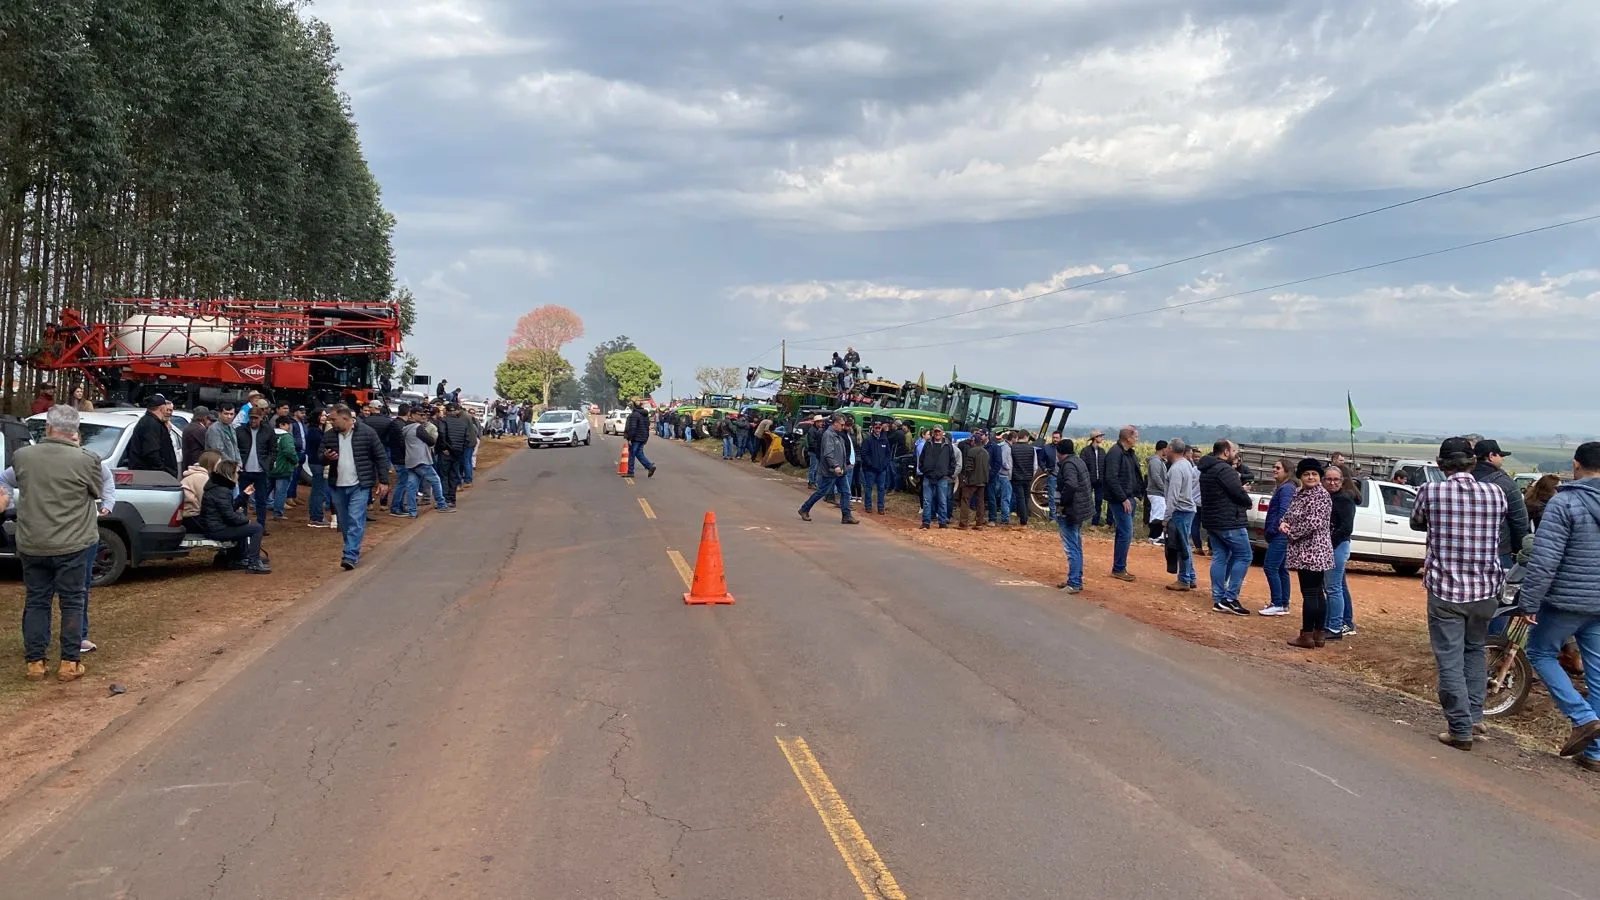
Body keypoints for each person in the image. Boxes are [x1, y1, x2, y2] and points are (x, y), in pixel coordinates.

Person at [1411, 437, 1506, 750]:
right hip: (1485, 589)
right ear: (1473, 462)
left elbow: (1417, 522)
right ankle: (1475, 716)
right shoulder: (1495, 492)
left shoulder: (1431, 491)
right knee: (1474, 650)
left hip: (1446, 590)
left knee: (1449, 659)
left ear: (1440, 465)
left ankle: (1460, 728)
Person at [1516, 442, 1600, 770]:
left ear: (1576, 464)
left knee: (1539, 651)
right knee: (1597, 671)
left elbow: (1545, 559)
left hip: (1566, 599)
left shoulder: (1564, 502)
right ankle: (1594, 753)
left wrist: (1529, 601)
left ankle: (1582, 718)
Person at [7, 405, 102, 682]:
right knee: (72, 600)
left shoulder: (23, 456)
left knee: (37, 600)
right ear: (76, 430)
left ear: (48, 427)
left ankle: (35, 662)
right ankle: (69, 662)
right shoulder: (87, 459)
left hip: (33, 542)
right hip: (73, 542)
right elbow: (96, 491)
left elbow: (20, 483)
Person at [322, 404, 391, 570]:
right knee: (345, 522)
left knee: (355, 518)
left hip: (360, 484)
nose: (330, 422)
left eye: (333, 419)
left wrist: (383, 480)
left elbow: (380, 456)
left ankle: (350, 554)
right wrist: (326, 457)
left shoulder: (367, 432)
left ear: (345, 418)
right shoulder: (330, 435)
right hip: (337, 485)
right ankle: (351, 548)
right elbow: (320, 457)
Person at [1282, 458, 1334, 648]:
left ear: (1319, 476)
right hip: (1304, 550)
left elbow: (1313, 523)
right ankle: (1317, 634)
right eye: (1306, 474)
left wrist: (1291, 532)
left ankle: (1308, 635)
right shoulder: (1300, 493)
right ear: (1300, 476)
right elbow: (1290, 513)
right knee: (1316, 593)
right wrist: (1283, 522)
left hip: (1313, 551)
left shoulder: (1320, 495)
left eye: (1314, 474)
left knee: (1312, 593)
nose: (1310, 477)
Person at [1197, 440, 1252, 614]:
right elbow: (1237, 493)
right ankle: (1230, 598)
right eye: (1234, 450)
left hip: (1213, 521)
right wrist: (1247, 501)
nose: (1236, 453)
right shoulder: (1225, 470)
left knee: (1220, 556)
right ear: (1226, 452)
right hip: (1229, 521)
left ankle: (1218, 598)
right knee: (1244, 556)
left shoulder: (1206, 469)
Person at [196, 459, 270, 574]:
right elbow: (230, 516)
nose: (238, 475)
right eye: (236, 473)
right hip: (216, 529)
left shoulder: (217, 487)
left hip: (213, 526)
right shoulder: (222, 490)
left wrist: (244, 495)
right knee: (257, 528)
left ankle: (238, 558)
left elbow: (228, 509)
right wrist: (246, 520)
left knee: (243, 525)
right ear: (230, 474)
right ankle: (254, 562)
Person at [1472, 440, 1531, 569]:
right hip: (1498, 551)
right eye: (1500, 455)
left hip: (1465, 551)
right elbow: (1519, 521)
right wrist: (1520, 549)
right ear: (1491, 456)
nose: (1502, 460)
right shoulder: (1505, 483)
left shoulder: (1465, 478)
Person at [798, 414, 858, 525]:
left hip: (841, 471)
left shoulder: (838, 435)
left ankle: (846, 516)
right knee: (821, 492)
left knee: (845, 492)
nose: (843, 426)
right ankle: (804, 509)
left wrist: (843, 466)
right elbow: (828, 453)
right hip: (830, 471)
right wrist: (835, 466)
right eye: (841, 424)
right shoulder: (828, 435)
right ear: (835, 423)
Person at [1322, 464, 1360, 638]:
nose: (1332, 482)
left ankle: (1335, 626)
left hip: (1337, 546)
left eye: (1335, 479)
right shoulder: (1327, 497)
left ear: (1342, 481)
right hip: (1330, 546)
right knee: (1333, 586)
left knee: (1333, 588)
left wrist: (1328, 543)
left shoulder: (1344, 499)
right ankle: (1331, 622)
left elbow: (1346, 528)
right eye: (1328, 479)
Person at [394, 406, 449, 517]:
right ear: (412, 415)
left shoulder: (405, 428)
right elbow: (431, 441)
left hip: (410, 460)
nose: (423, 417)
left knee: (411, 486)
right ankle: (441, 504)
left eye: (424, 415)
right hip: (421, 459)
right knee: (435, 480)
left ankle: (412, 511)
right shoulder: (418, 428)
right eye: (420, 414)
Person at [1258, 458, 1296, 615]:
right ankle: (1283, 603)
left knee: (1270, 567)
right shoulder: (1285, 487)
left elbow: (1284, 510)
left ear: (1287, 471)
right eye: (1273, 467)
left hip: (1280, 534)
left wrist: (1274, 528)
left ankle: (1277, 602)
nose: (1274, 469)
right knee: (1281, 569)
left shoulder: (1286, 488)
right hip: (1281, 534)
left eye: (1278, 468)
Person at [1055, 438, 1093, 593]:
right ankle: (1076, 577)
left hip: (1071, 511)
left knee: (1071, 547)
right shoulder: (1078, 461)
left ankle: (1074, 582)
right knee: (1076, 544)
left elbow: (1071, 485)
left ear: (1059, 452)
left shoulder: (1068, 465)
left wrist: (1062, 503)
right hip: (1080, 509)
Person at [1104, 426, 1141, 580]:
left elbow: (1134, 475)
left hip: (1129, 498)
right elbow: (1111, 478)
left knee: (1123, 533)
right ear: (1127, 437)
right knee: (1126, 532)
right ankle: (1119, 568)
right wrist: (1123, 498)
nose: (1137, 439)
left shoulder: (1129, 454)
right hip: (1120, 500)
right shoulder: (1115, 453)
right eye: (1135, 436)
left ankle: (1119, 567)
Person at [1163, 439, 1199, 592]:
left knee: (1181, 546)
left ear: (1171, 449)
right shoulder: (1187, 464)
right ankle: (1190, 576)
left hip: (1180, 511)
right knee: (1185, 544)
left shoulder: (1176, 468)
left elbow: (1173, 495)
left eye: (1168, 448)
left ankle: (1184, 579)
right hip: (1188, 509)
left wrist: (1166, 517)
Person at [237, 397, 277, 526]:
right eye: (251, 417)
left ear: (261, 418)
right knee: (242, 499)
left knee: (261, 500)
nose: (253, 420)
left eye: (256, 418)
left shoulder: (268, 430)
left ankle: (261, 525)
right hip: (244, 471)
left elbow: (273, 450)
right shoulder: (240, 431)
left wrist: (268, 464)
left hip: (260, 471)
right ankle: (242, 523)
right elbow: (236, 449)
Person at [123, 393, 179, 477]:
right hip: (152, 476)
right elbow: (151, 452)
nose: (168, 412)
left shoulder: (152, 422)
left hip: (152, 474)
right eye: (166, 408)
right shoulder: (151, 424)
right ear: (161, 408)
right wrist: (163, 472)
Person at [918, 426, 956, 529]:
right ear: (933, 432)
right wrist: (924, 470)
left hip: (942, 477)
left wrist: (948, 473)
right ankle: (926, 522)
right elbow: (921, 459)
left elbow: (952, 461)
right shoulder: (928, 443)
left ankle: (942, 523)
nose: (937, 433)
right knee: (927, 501)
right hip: (928, 476)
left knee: (942, 500)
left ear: (942, 432)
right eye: (935, 431)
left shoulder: (948, 445)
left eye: (939, 431)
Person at [180, 450, 224, 532]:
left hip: (190, 517)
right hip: (192, 518)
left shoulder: (199, 475)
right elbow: (205, 503)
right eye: (219, 464)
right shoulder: (201, 477)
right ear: (211, 464)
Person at [305, 409, 333, 528]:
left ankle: (316, 515)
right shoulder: (314, 431)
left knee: (318, 490)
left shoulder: (317, 430)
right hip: (317, 463)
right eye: (321, 415)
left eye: (324, 415)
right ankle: (316, 517)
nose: (324, 417)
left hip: (317, 462)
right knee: (318, 491)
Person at [956, 431, 990, 529]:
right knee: (980, 502)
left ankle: (963, 523)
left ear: (974, 441)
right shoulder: (986, 452)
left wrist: (965, 478)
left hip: (972, 480)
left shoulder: (971, 451)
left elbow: (969, 467)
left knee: (965, 499)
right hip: (982, 481)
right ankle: (979, 523)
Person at [860, 421, 895, 515]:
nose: (878, 429)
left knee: (881, 488)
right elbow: (864, 453)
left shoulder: (885, 440)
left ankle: (881, 507)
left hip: (882, 469)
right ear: (873, 428)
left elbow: (888, 454)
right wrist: (870, 463)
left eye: (879, 428)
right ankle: (868, 506)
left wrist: (885, 464)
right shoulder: (868, 440)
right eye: (876, 428)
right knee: (868, 488)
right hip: (870, 469)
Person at [267, 415, 298, 519]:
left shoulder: (270, 435)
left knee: (266, 489)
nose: (289, 427)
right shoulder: (286, 437)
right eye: (287, 424)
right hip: (283, 468)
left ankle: (259, 507)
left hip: (270, 467)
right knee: (281, 492)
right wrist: (295, 461)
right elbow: (289, 451)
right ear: (282, 425)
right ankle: (277, 513)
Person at [1080, 430, 1108, 526]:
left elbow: (1105, 466)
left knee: (1099, 501)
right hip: (1089, 481)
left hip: (1100, 481)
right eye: (1100, 436)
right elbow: (1082, 466)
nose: (1102, 438)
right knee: (1086, 500)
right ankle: (1082, 520)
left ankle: (1094, 523)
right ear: (1095, 438)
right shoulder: (1085, 451)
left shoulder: (1102, 451)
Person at [623, 399, 656, 477]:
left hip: (636, 438)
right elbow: (647, 427)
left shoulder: (634, 415)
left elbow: (633, 428)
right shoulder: (645, 415)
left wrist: (630, 438)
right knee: (639, 453)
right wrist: (646, 438)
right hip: (643, 437)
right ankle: (650, 466)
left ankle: (630, 472)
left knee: (632, 454)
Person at [1010, 431, 1036, 528]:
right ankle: (1025, 518)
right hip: (1028, 477)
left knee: (1020, 498)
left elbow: (1010, 463)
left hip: (1017, 477)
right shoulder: (1031, 448)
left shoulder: (1012, 448)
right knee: (1026, 498)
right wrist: (1032, 475)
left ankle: (1023, 520)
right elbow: (1035, 465)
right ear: (1026, 437)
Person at [1145, 441, 1169, 545]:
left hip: (1157, 492)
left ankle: (1155, 536)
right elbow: (1156, 476)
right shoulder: (1155, 461)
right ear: (1163, 449)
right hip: (1156, 492)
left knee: (1158, 513)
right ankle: (1155, 536)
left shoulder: (1159, 461)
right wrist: (1164, 488)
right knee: (1158, 515)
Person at [181, 406, 213, 471]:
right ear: (205, 417)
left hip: (188, 464)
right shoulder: (199, 429)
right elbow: (208, 447)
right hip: (195, 465)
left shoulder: (188, 427)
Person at [1038, 431, 1061, 519]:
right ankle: (1053, 517)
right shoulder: (1046, 448)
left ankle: (1061, 516)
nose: (1055, 439)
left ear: (1060, 438)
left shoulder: (1063, 448)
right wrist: (1045, 469)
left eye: (1057, 438)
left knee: (1062, 496)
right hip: (1052, 475)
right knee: (1051, 496)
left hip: (1063, 476)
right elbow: (1041, 460)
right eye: (1054, 437)